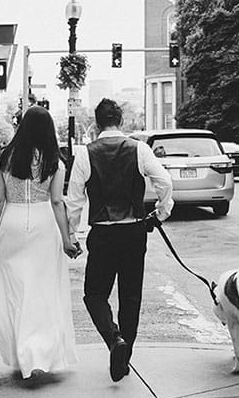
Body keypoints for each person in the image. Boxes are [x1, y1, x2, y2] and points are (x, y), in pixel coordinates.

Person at [66, 98, 174, 382]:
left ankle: (115, 341)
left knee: (94, 294)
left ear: (96, 123)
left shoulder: (86, 154)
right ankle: (124, 356)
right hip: (134, 232)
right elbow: (165, 182)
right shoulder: (139, 149)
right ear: (121, 121)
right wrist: (161, 213)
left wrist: (71, 234)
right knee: (131, 296)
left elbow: (74, 199)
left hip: (102, 233)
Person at [0, 106, 80, 379]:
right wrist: (67, 238)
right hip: (43, 225)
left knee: (15, 290)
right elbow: (58, 202)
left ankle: (22, 352)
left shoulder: (3, 158)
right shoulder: (55, 161)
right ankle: (40, 352)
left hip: (11, 224)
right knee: (43, 289)